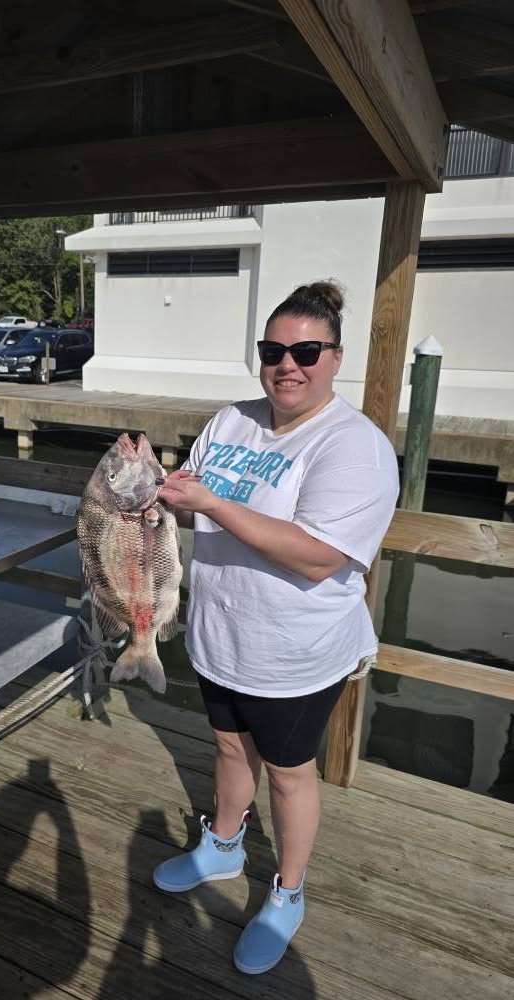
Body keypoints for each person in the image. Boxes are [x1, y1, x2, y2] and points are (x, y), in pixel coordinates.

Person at [152, 280, 399, 975]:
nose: (288, 364)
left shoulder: (356, 446)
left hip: (294, 650)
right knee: (229, 747)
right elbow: (191, 505)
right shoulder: (232, 420)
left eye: (306, 351)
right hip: (220, 635)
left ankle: (288, 892)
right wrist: (153, 491)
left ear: (335, 357)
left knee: (290, 775)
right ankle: (222, 845)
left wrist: (209, 503)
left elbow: (321, 557)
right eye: (273, 349)